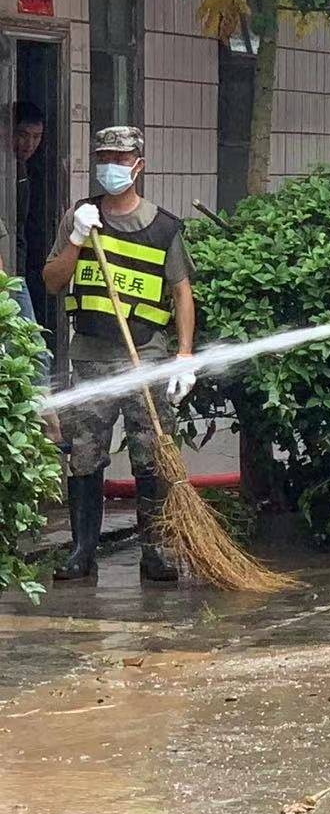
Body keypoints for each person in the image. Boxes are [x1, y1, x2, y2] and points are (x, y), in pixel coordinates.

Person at [41, 126, 196, 583]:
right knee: (85, 454)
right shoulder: (80, 217)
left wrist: (184, 355)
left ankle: (156, 552)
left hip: (144, 356)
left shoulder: (164, 227)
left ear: (138, 166)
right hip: (90, 356)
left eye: (119, 157)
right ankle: (81, 551)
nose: (110, 165)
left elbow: (182, 293)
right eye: (104, 156)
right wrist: (76, 238)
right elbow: (52, 280)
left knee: (152, 455)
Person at [13, 102, 47, 324]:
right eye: (23, 135)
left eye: (37, 137)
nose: (30, 144)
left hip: (24, 264)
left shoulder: (31, 168)